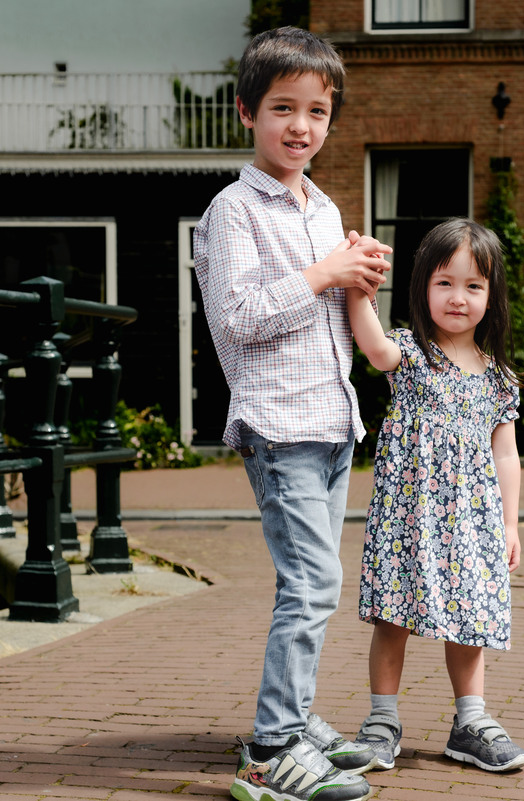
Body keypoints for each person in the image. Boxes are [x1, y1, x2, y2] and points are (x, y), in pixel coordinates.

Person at [193, 25, 393, 801]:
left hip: (333, 419)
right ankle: (272, 747)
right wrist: (323, 272)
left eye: (316, 111)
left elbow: (329, 308)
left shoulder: (323, 204)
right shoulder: (232, 212)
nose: (300, 126)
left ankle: (299, 718)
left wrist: (357, 283)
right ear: (247, 112)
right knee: (313, 585)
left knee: (308, 583)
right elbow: (237, 317)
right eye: (283, 108)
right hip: (279, 424)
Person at [345, 218, 524, 773]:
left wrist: (511, 523)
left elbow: (506, 454)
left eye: (474, 286)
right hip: (408, 515)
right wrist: (359, 290)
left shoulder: (499, 377)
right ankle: (382, 718)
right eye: (445, 283)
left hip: (472, 522)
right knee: (392, 617)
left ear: (492, 297)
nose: (458, 297)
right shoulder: (412, 351)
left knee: (470, 614)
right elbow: (373, 349)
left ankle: (470, 720)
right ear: (423, 286)